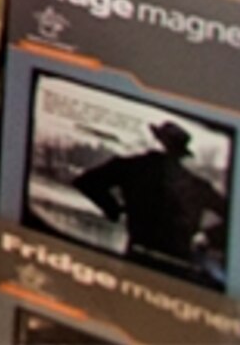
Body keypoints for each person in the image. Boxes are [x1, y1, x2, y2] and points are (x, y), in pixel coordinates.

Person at [76, 118, 226, 282]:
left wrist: (113, 210)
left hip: (138, 257)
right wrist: (207, 237)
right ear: (180, 154)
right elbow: (234, 219)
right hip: (179, 268)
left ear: (156, 142)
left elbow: (86, 182)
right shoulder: (198, 186)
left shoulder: (131, 167)